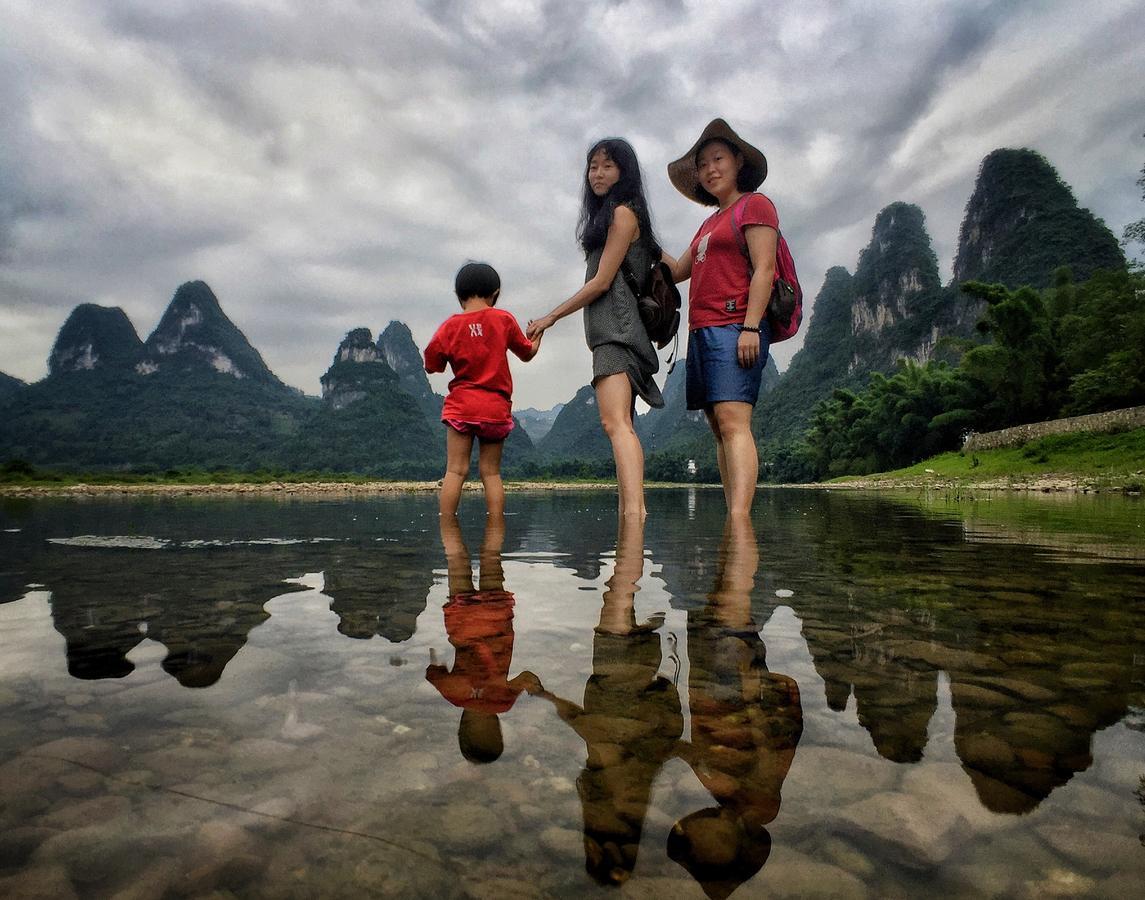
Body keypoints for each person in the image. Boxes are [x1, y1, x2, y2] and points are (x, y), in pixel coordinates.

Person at [527, 138, 668, 520]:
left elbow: (601, 282)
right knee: (623, 423)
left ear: (624, 171)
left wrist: (549, 317)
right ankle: (632, 514)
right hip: (624, 331)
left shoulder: (623, 214)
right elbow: (677, 266)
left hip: (615, 332)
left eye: (607, 165)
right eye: (593, 166)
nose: (598, 173)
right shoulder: (626, 218)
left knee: (615, 422)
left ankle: (634, 514)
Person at [666, 119, 779, 518]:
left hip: (736, 326)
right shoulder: (708, 223)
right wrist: (640, 235)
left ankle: (740, 520)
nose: (711, 169)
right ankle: (735, 512)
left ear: (737, 162)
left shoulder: (755, 205)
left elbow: (765, 268)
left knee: (734, 422)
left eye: (718, 159)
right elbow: (678, 270)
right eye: (703, 165)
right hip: (701, 331)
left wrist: (750, 326)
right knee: (718, 426)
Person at [424, 262, 541, 516]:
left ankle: (449, 533)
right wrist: (536, 335)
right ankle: (495, 535)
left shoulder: (449, 327)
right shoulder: (504, 319)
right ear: (495, 293)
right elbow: (527, 353)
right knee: (491, 472)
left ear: (459, 295)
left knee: (455, 470)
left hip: (461, 407)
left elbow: (432, 365)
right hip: (494, 408)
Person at [425, 515, 541, 764]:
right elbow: (432, 673)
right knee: (456, 560)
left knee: (491, 557)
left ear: (499, 729)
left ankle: (493, 511)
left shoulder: (503, 703)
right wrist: (437, 664)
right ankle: (450, 517)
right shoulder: (454, 695)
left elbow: (528, 677)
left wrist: (534, 688)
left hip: (495, 619)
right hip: (463, 623)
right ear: (460, 727)